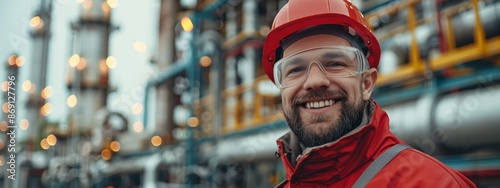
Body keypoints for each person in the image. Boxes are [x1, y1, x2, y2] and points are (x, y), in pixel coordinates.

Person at [261, 0, 476, 187]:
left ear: (366, 84)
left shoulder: (436, 184)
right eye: (295, 69)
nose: (315, 81)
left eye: (335, 63)